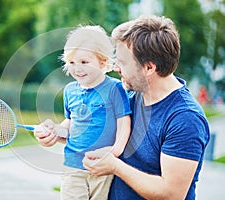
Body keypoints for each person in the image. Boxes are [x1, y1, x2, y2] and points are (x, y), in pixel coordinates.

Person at [82, 15, 210, 200]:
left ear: (149, 67)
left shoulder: (185, 119)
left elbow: (172, 194)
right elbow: (95, 132)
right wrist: (58, 133)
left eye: (123, 63)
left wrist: (115, 167)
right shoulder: (129, 96)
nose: (116, 68)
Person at [34, 25, 132, 200]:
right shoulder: (70, 91)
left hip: (102, 165)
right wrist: (55, 131)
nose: (77, 69)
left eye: (84, 62)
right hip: (73, 165)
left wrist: (114, 152)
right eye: (72, 63)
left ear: (102, 62)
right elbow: (71, 123)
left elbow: (124, 123)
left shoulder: (114, 89)